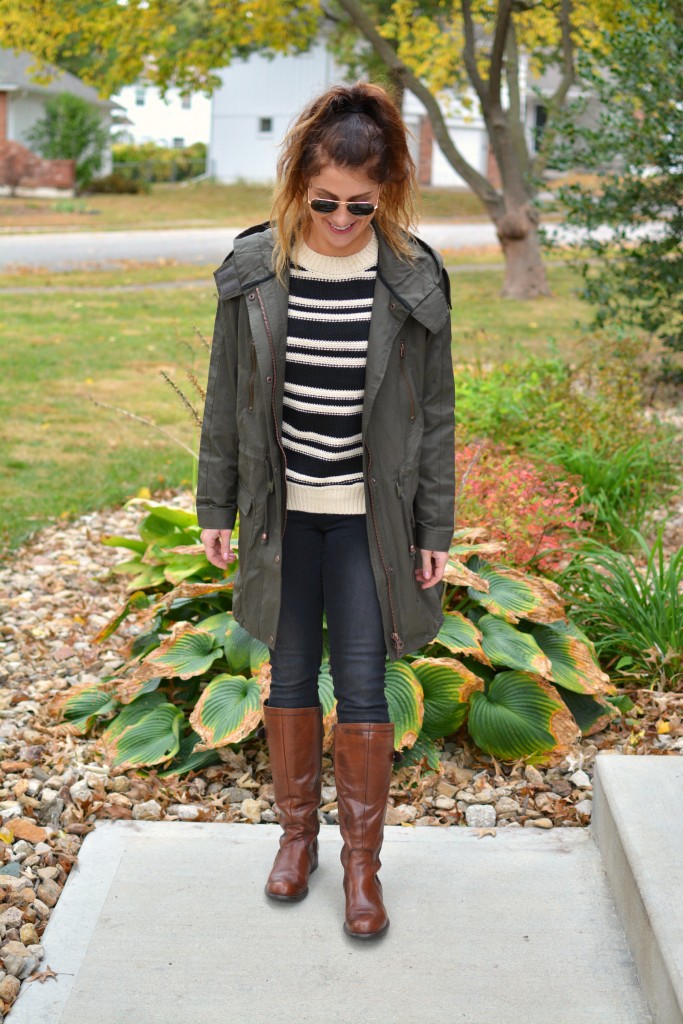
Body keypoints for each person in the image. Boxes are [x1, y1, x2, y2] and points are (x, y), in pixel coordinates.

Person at [196, 80, 455, 940]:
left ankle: (360, 865)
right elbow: (225, 399)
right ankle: (295, 840)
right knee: (288, 674)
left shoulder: (413, 278)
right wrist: (215, 506)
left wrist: (433, 531)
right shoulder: (254, 269)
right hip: (282, 512)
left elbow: (436, 415)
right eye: (324, 203)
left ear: (386, 192)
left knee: (363, 683)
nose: (342, 220)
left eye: (360, 204)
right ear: (298, 179)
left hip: (365, 520)